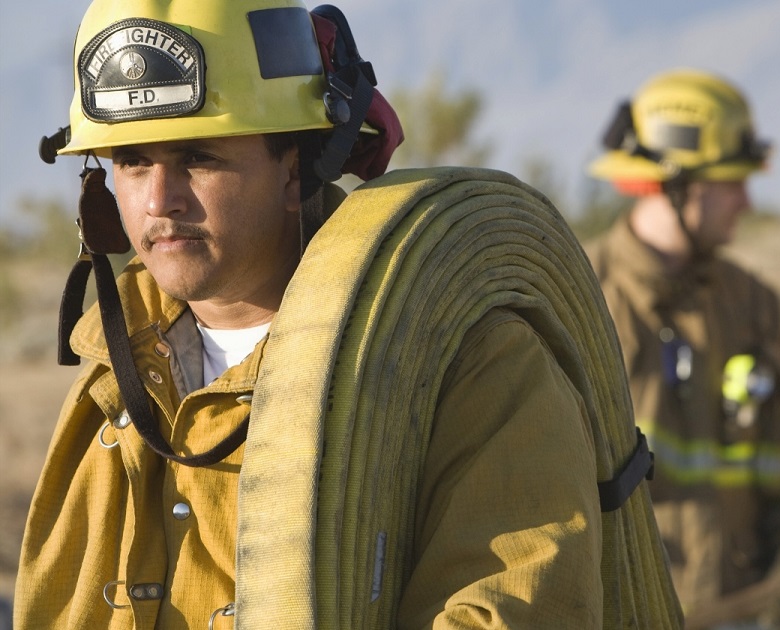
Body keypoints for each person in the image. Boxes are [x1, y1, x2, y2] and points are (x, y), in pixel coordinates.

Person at [15, 0, 681, 627]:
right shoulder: (116, 376)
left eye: (199, 158)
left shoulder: (468, 367)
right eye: (132, 162)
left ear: (295, 167)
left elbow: (510, 605)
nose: (160, 200)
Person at [585, 68, 780, 629]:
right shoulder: (580, 294)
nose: (746, 200)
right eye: (730, 183)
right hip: (628, 611)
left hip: (746, 609)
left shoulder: (751, 303)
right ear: (676, 185)